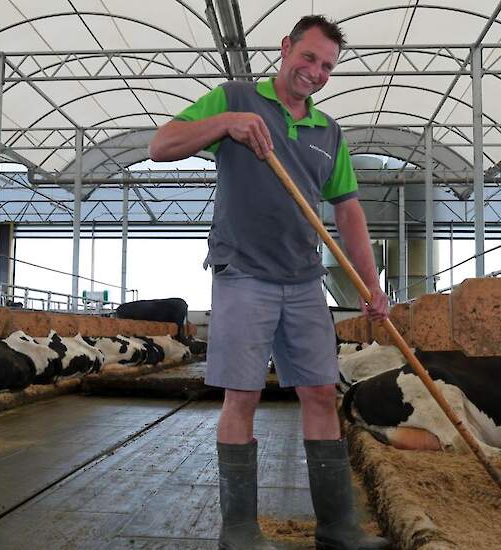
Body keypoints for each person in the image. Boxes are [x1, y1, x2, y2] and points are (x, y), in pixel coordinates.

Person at [149, 15, 390, 550]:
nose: (315, 72)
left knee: (321, 392)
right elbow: (160, 146)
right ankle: (238, 531)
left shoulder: (329, 132)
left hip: (305, 279)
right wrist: (225, 123)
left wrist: (371, 287)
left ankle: (338, 527)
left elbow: (348, 212)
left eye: (327, 65)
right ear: (286, 48)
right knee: (242, 395)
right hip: (245, 273)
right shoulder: (236, 97)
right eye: (308, 58)